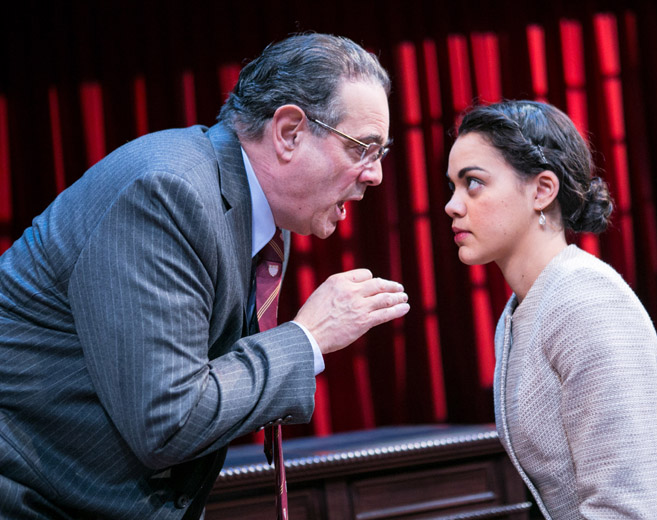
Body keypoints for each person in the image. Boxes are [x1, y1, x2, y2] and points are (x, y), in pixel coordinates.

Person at [0, 33, 409, 519]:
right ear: (289, 132)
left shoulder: (265, 217)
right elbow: (169, 421)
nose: (375, 174)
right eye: (363, 148)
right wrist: (307, 339)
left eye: (380, 153)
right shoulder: (168, 192)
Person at [444, 100, 657, 519]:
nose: (452, 205)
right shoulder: (521, 309)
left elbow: (624, 508)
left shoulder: (586, 301)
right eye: (452, 187)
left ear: (542, 190)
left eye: (473, 183)